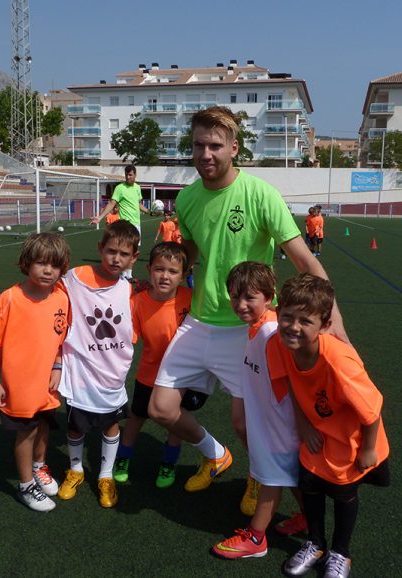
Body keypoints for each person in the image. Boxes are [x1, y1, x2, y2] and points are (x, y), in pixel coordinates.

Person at [148, 106, 348, 514]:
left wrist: (335, 322)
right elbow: (188, 252)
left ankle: (259, 478)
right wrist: (154, 276)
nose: (206, 153)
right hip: (201, 321)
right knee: (160, 409)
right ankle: (216, 454)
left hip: (249, 328)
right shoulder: (186, 198)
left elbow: (305, 262)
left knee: (247, 423)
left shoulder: (260, 194)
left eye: (215, 145)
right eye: (199, 145)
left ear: (234, 148)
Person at [276, 274, 390, 578]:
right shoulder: (283, 344)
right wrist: (304, 426)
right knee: (309, 485)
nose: (293, 327)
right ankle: (315, 542)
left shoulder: (339, 361)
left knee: (342, 494)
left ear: (324, 326)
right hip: (317, 433)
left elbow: (373, 406)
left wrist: (368, 449)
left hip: (350, 440)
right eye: (287, 316)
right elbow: (291, 380)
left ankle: (341, 552)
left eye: (305, 321)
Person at [211, 262, 306, 560]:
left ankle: (256, 538)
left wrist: (302, 427)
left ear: (270, 297)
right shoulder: (258, 329)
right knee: (288, 476)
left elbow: (293, 384)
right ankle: (308, 519)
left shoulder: (271, 333)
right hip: (271, 423)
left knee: (271, 478)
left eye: (249, 297)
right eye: (235, 296)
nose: (240, 304)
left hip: (279, 427)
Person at [56, 220, 140, 508]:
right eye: (111, 251)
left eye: (124, 254)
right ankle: (76, 469)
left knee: (111, 425)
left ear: (134, 258)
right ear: (100, 248)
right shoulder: (74, 278)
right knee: (75, 427)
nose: (116, 258)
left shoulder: (130, 290)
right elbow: (46, 292)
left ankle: (105, 476)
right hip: (81, 371)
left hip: (112, 373)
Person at [113, 242, 208, 488]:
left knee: (174, 420)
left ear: (184, 275)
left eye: (173, 271)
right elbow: (126, 340)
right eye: (159, 269)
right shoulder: (137, 302)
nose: (165, 276)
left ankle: (168, 463)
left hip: (182, 377)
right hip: (149, 374)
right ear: (149, 270)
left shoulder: (192, 298)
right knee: (136, 417)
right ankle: (123, 458)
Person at [0, 232, 71, 512]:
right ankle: (25, 485)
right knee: (26, 431)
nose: (48, 270)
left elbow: (60, 338)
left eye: (55, 265)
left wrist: (58, 366)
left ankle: (39, 466)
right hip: (19, 382)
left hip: (47, 379)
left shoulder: (61, 297)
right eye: (40, 263)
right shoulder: (10, 298)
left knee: (45, 423)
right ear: (26, 263)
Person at [90, 165, 148, 279]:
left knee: (133, 250)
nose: (128, 177)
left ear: (135, 175)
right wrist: (100, 217)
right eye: (126, 175)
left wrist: (149, 211)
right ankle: (122, 275)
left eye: (130, 175)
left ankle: (128, 275)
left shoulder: (137, 188)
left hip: (137, 224)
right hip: (126, 224)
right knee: (125, 249)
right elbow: (111, 203)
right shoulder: (120, 188)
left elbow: (138, 204)